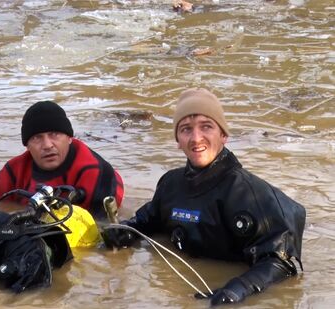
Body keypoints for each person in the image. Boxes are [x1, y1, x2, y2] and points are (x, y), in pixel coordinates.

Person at [102, 88, 306, 306]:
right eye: (186, 129)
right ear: (177, 140)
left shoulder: (248, 193)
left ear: (223, 135)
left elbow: (283, 263)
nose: (196, 138)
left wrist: (240, 288)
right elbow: (147, 220)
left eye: (206, 126)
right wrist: (125, 232)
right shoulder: (171, 184)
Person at [0, 100, 124, 220]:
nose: (47, 145)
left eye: (54, 134)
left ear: (70, 138)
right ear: (27, 145)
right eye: (37, 137)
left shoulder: (95, 172)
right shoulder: (12, 172)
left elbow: (102, 228)